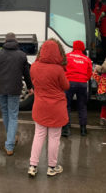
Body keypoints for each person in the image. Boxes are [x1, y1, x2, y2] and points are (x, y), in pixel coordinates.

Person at [27, 39, 70, 177]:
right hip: (56, 108)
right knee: (54, 138)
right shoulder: (58, 69)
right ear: (58, 52)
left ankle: (32, 166)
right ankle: (52, 167)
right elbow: (66, 86)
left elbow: (34, 83)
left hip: (40, 106)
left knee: (38, 135)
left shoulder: (34, 66)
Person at [62, 40, 92, 137]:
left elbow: (62, 69)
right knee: (82, 106)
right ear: (83, 48)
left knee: (67, 105)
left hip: (69, 83)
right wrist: (83, 79)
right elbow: (89, 74)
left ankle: (66, 129)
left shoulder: (67, 56)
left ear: (73, 47)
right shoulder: (86, 59)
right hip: (82, 84)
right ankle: (83, 129)